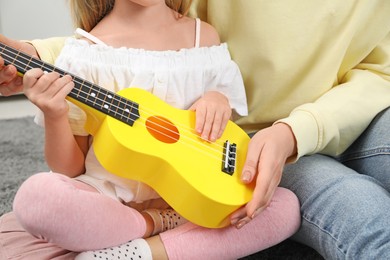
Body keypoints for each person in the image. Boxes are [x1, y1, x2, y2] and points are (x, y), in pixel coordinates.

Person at [4, 0, 390, 259]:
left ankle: (142, 251)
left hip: (192, 195)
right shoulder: (83, 56)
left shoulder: (201, 37)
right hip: (110, 197)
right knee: (38, 197)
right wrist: (54, 115)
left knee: (284, 208)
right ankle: (150, 228)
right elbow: (68, 169)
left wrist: (217, 100)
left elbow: (224, 97)